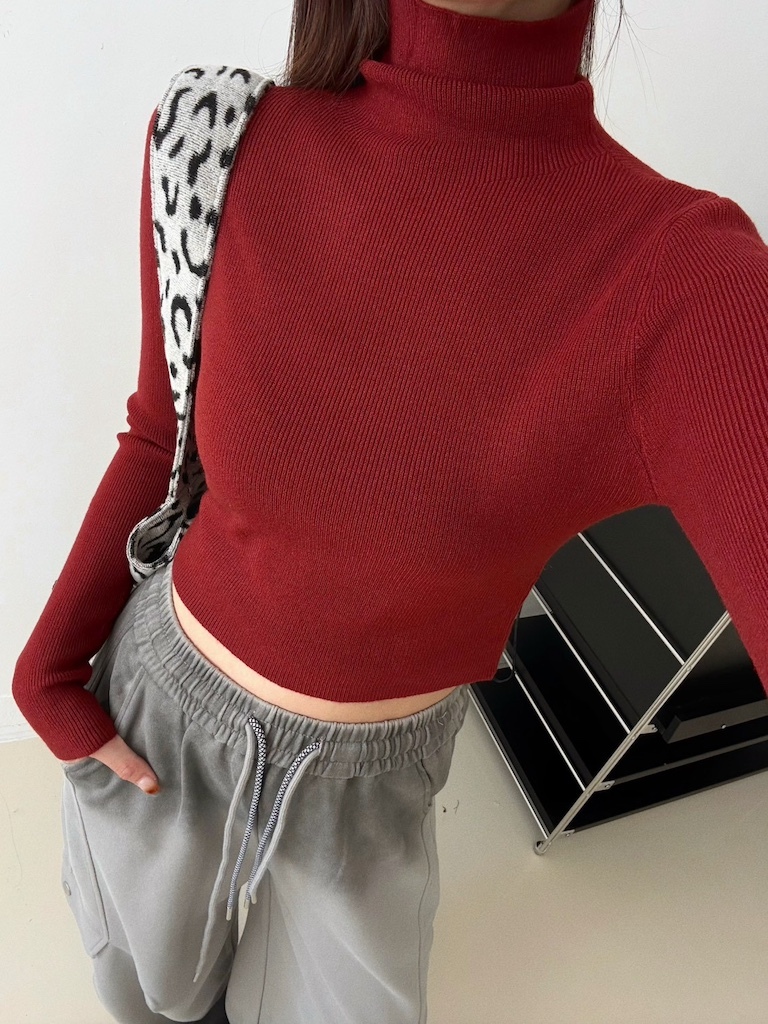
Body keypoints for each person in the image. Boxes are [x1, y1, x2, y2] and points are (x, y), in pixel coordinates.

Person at [12, 0, 768, 1020]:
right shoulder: (213, 140)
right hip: (157, 725)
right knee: (145, 998)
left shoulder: (686, 283)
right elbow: (161, 435)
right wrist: (48, 672)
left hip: (372, 799)